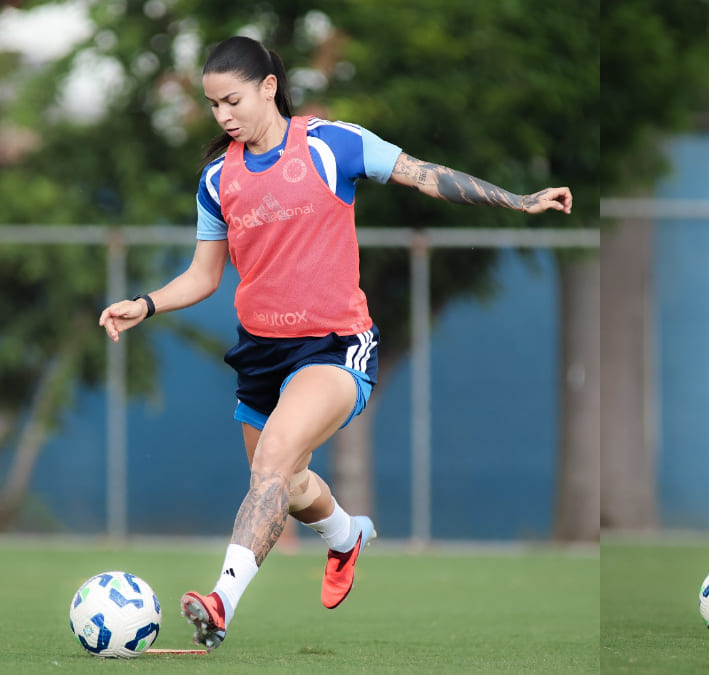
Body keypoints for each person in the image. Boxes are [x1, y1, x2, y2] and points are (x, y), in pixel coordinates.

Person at [98, 35, 572, 651]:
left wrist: (517, 199)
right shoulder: (218, 179)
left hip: (333, 345)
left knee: (269, 468)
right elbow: (204, 276)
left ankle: (220, 603)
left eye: (233, 100)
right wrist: (146, 303)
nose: (224, 116)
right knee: (285, 485)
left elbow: (423, 176)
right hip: (260, 353)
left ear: (269, 88)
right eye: (214, 106)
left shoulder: (330, 144)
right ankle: (345, 534)